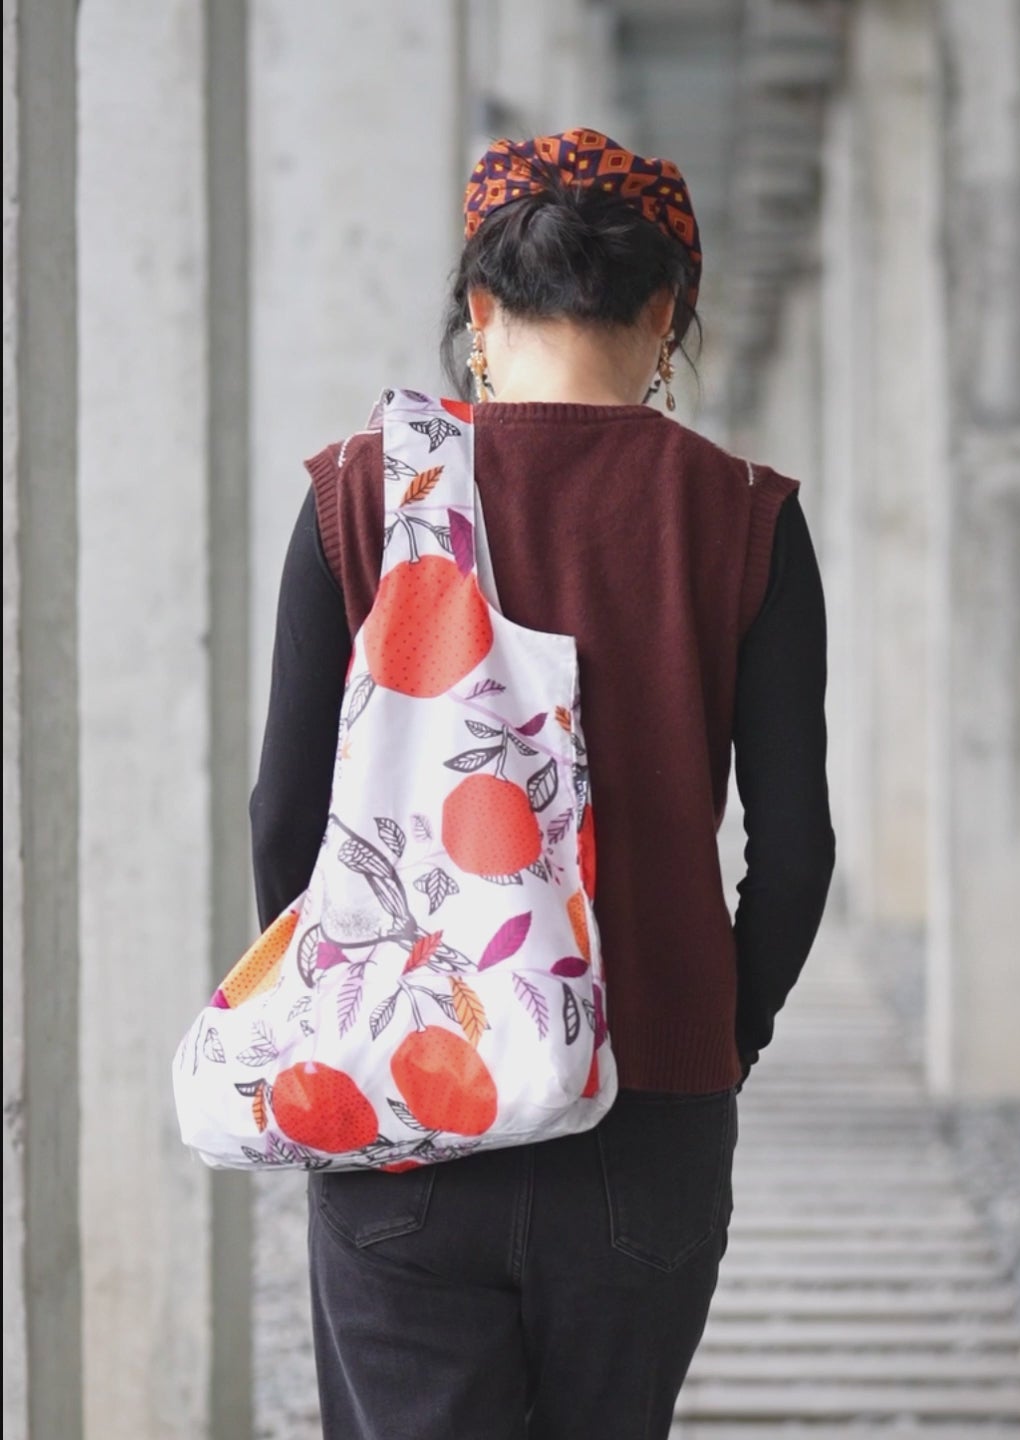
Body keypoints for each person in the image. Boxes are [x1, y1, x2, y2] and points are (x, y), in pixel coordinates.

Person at [248, 129, 834, 1439]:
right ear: (669, 314)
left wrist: (337, 1020)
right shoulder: (745, 516)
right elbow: (795, 849)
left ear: (480, 307)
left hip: (408, 1089)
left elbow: (285, 820)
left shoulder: (359, 496)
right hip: (647, 1108)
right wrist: (720, 1033)